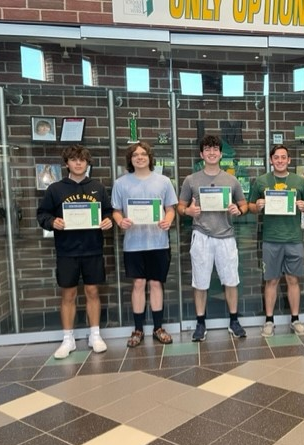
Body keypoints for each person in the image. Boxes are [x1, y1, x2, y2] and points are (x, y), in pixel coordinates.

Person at [36, 145, 113, 359]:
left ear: (87, 163)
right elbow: (42, 214)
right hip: (66, 250)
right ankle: (68, 339)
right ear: (67, 163)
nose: (78, 163)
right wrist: (53, 222)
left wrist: (108, 221)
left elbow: (108, 212)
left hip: (93, 248)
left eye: (82, 160)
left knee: (93, 291)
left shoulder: (97, 187)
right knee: (68, 294)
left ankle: (95, 335)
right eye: (74, 159)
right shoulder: (56, 189)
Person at [178, 135, 248, 342]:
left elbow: (244, 205)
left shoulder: (231, 180)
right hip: (201, 236)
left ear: (220, 153)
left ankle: (234, 321)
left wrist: (238, 210)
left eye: (215, 149)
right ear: (201, 154)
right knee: (200, 282)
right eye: (207, 149)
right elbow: (180, 207)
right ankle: (201, 323)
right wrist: (188, 211)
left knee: (231, 281)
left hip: (226, 236)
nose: (211, 153)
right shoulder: (191, 180)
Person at [111, 141, 178, 347]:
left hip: (158, 242)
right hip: (134, 244)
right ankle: (138, 329)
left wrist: (168, 220)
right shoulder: (121, 183)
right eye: (135, 155)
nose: (139, 157)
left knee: (156, 283)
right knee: (138, 284)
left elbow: (170, 208)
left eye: (143, 154)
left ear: (150, 158)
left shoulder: (164, 182)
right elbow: (116, 211)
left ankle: (158, 328)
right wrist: (120, 221)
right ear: (130, 160)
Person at [248, 144, 304, 337]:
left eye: (284, 157)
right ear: (271, 160)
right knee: (271, 280)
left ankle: (295, 319)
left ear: (289, 160)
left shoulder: (299, 181)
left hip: (293, 239)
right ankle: (269, 321)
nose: (280, 160)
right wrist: (258, 205)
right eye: (276, 157)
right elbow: (250, 206)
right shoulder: (261, 181)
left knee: (293, 279)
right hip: (271, 239)